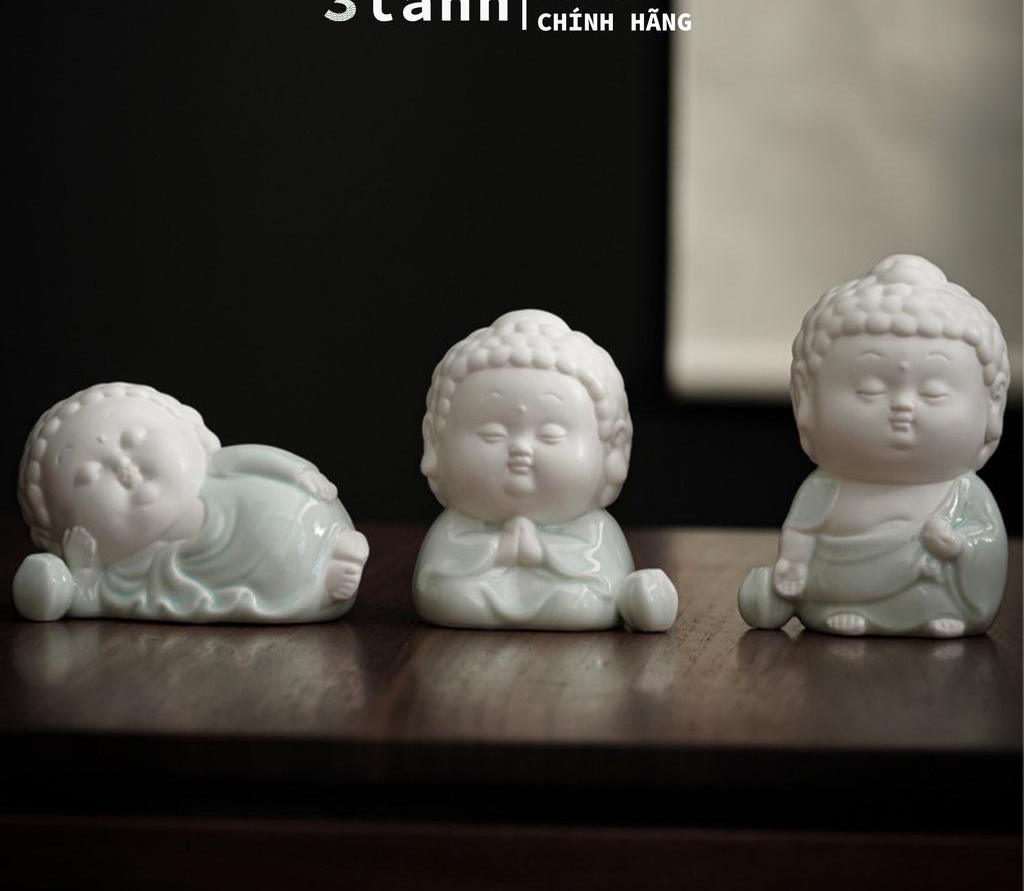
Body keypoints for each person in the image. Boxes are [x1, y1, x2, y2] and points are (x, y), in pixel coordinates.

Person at [739, 255, 1009, 637]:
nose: (903, 405)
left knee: (940, 587)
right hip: (839, 594)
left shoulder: (962, 492)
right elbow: (801, 534)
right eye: (869, 389)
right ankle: (843, 605)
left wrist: (957, 546)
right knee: (834, 596)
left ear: (993, 405)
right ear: (805, 398)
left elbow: (986, 542)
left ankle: (939, 610)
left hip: (938, 596)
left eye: (933, 390)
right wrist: (793, 567)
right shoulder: (826, 486)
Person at [13, 382, 368, 622]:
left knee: (305, 515)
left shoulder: (220, 466)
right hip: (243, 574)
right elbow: (89, 600)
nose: (122, 466)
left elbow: (258, 456)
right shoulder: (136, 570)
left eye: (133, 437)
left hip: (284, 512)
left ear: (188, 432)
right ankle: (322, 586)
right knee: (272, 579)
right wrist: (84, 572)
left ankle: (332, 548)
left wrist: (300, 472)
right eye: (88, 476)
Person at [414, 310, 678, 631]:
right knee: (453, 597)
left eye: (551, 434)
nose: (520, 449)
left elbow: (607, 587)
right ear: (434, 442)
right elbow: (433, 585)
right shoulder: (455, 527)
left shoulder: (594, 532)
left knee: (581, 601)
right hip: (470, 599)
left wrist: (640, 599)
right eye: (492, 434)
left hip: (573, 610)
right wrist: (497, 550)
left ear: (614, 450)